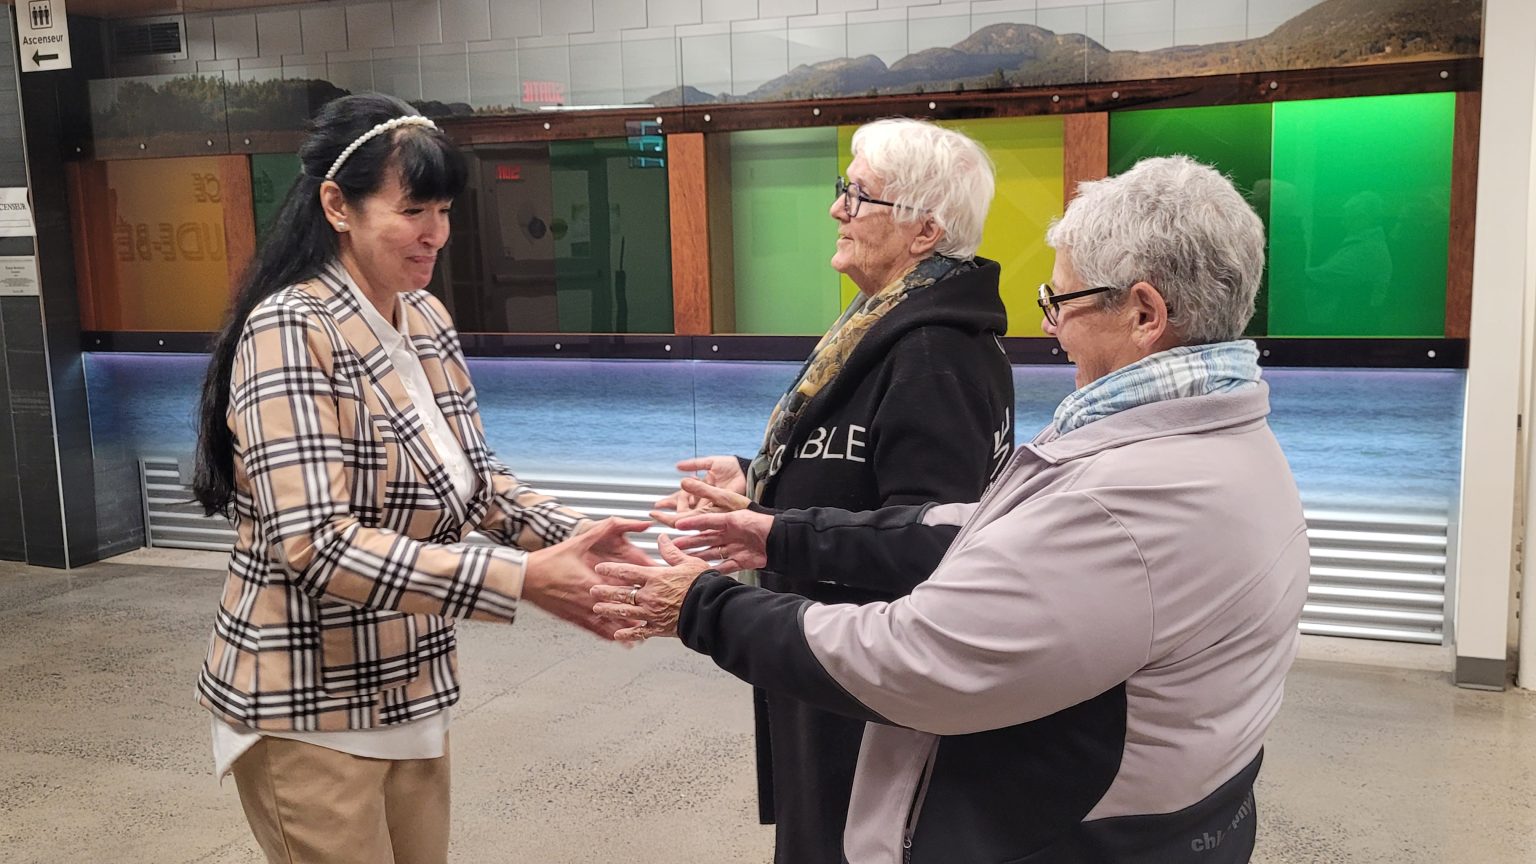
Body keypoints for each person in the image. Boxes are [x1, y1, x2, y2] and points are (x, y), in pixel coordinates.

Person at [597, 155, 1310, 863]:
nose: (1052, 328)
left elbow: (918, 660)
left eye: (1060, 302)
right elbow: (989, 523)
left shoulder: (1117, 490)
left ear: (1145, 314)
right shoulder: (1219, 437)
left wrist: (700, 606)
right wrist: (781, 532)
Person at [189, 93, 648, 864]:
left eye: (443, 209)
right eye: (412, 210)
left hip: (411, 686)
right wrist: (521, 579)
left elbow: (476, 482)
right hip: (307, 702)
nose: (436, 232)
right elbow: (317, 545)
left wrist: (587, 540)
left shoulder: (424, 318)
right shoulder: (291, 327)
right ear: (337, 205)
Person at [652, 118, 1015, 864]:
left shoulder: (932, 354)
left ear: (924, 231)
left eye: (858, 194)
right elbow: (864, 472)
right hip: (830, 668)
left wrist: (773, 530)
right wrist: (759, 479)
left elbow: (930, 546)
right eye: (842, 188)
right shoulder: (888, 324)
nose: (836, 208)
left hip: (870, 697)